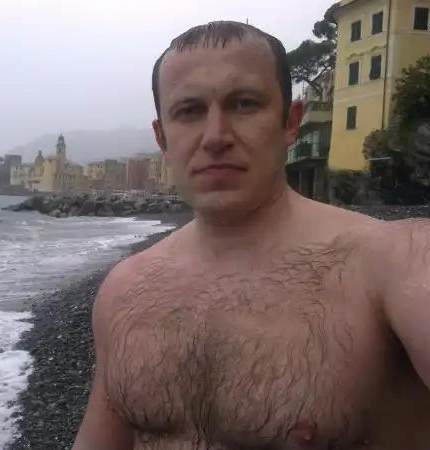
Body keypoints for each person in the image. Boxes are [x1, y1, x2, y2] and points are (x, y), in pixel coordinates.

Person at [72, 21, 430, 450]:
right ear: (162, 138)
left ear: (290, 122)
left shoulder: (395, 263)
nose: (215, 137)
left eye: (244, 104)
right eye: (189, 111)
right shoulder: (123, 293)